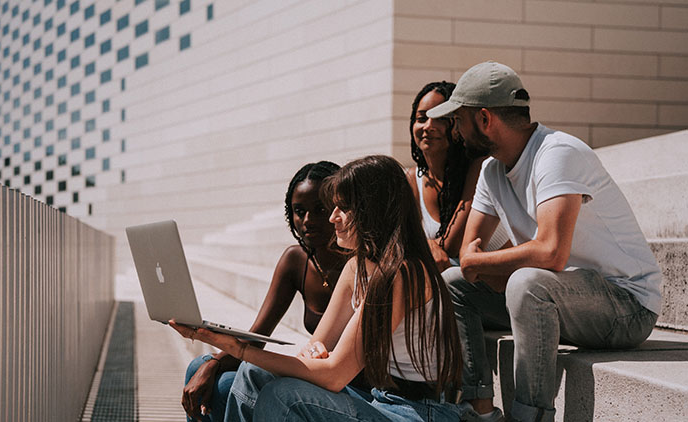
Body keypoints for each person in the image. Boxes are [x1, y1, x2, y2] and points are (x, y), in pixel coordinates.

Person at [426, 61, 662, 422]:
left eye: (458, 118)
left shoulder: (558, 153)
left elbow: (551, 252)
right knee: (453, 283)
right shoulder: (491, 171)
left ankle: (530, 417)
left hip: (626, 305)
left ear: (485, 119)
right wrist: (476, 264)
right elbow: (466, 256)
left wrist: (480, 263)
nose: (453, 129)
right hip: (561, 297)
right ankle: (480, 411)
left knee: (526, 282)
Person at [170, 155, 464, 422]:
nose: (333, 217)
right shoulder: (357, 267)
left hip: (416, 412)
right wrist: (312, 350)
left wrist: (237, 347)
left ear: (373, 210)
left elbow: (335, 375)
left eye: (343, 208)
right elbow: (317, 345)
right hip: (377, 399)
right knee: (252, 373)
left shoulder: (400, 274)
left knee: (283, 397)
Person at [180, 161, 346, 421]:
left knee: (223, 385)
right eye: (299, 211)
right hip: (316, 369)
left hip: (342, 380)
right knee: (200, 367)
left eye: (319, 209)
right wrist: (212, 362)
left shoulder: (357, 262)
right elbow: (258, 335)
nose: (307, 221)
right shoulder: (296, 260)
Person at [406, 82, 507, 271]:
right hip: (452, 274)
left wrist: (423, 244)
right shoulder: (412, 178)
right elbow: (400, 239)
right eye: (421, 118)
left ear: (459, 124)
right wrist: (427, 245)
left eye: (441, 119)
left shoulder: (480, 167)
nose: (429, 126)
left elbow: (451, 246)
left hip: (495, 281)